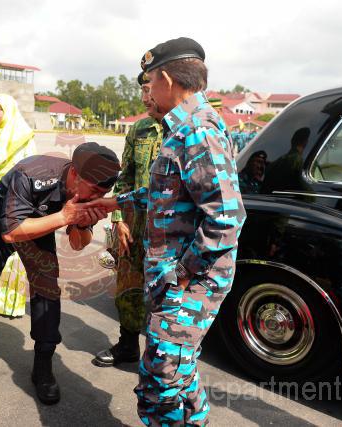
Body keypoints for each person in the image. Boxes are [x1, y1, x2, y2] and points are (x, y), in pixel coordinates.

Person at [87, 37, 246, 425]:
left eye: (150, 81)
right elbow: (172, 192)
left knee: (162, 379)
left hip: (190, 283)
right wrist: (117, 202)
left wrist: (181, 273)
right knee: (177, 371)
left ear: (168, 80)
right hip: (176, 279)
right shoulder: (183, 127)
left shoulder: (198, 130)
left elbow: (226, 218)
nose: (148, 92)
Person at [0, 142, 120, 405]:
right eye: (95, 190)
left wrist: (81, 224)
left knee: (47, 286)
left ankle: (43, 364)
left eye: (104, 193)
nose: (97, 196)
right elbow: (11, 232)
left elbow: (78, 244)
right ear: (74, 174)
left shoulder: (90, 191)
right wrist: (65, 217)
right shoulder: (31, 174)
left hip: (42, 223)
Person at [93, 71, 163, 367]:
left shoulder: (184, 132)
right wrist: (118, 219)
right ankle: (127, 345)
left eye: (150, 90)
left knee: (166, 293)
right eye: (142, 91)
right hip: (134, 225)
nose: (146, 98)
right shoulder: (139, 130)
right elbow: (125, 178)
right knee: (128, 286)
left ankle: (161, 358)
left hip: (168, 230)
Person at [0, 93, 36, 318]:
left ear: (9, 111)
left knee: (11, 251)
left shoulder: (23, 138)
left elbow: (31, 173)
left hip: (13, 201)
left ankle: (7, 302)